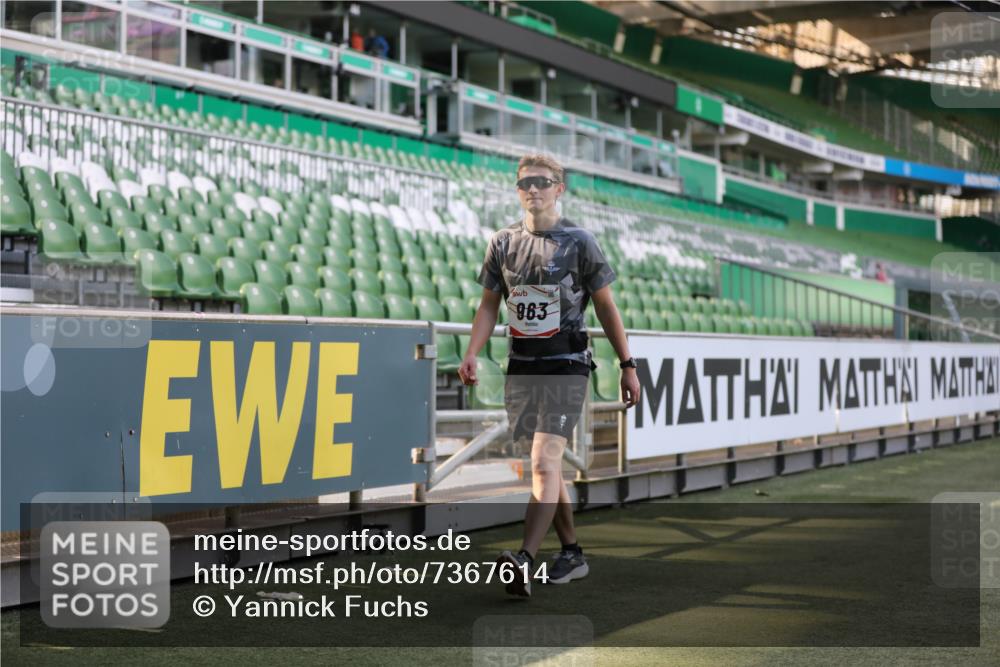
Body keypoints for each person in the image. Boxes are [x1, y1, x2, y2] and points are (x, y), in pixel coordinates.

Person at [458, 154, 641, 598]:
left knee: (542, 461)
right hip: (522, 367)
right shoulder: (502, 242)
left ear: (559, 188)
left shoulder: (580, 241)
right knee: (547, 467)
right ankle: (573, 552)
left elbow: (605, 306)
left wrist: (627, 365)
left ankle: (523, 558)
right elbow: (488, 304)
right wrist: (471, 352)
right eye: (525, 184)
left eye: (542, 182)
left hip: (567, 365)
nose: (533, 190)